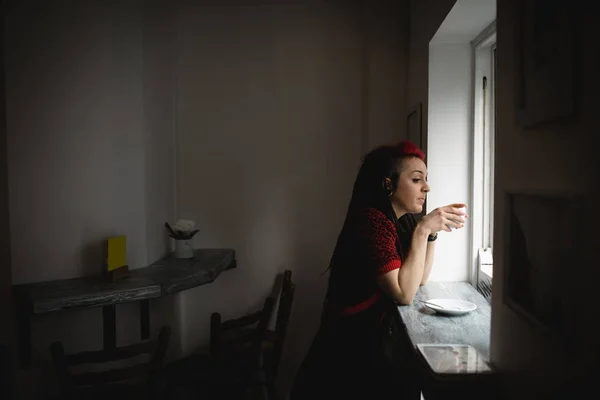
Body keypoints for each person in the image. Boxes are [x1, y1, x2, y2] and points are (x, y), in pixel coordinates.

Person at [290, 140, 467, 399]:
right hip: (351, 351)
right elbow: (403, 293)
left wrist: (430, 235)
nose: (427, 187)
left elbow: (420, 279)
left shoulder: (401, 220)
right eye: (417, 179)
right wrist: (424, 228)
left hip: (372, 341)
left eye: (426, 179)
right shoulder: (372, 221)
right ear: (388, 184)